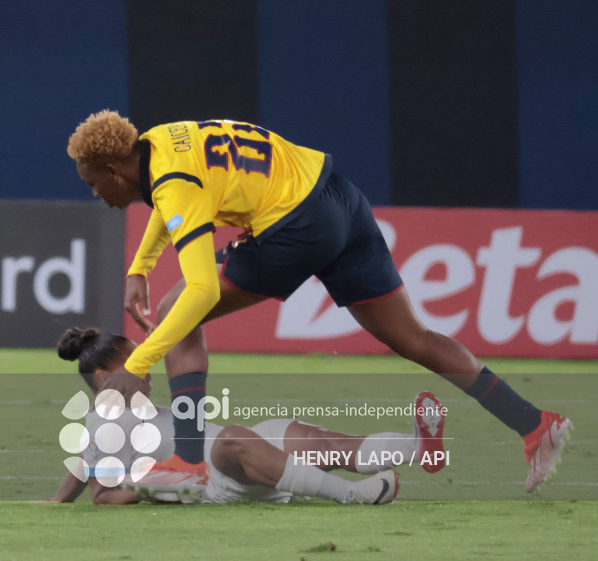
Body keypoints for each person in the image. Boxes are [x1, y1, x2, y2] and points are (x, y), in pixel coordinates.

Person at [66, 110, 572, 494]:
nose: (95, 194)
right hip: (339, 199)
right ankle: (533, 423)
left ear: (113, 170)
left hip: (297, 226)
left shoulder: (171, 184)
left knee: (182, 304)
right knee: (414, 338)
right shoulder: (157, 141)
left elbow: (198, 286)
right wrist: (140, 266)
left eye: (93, 184)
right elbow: (165, 196)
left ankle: (191, 462)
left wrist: (137, 362)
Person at [51, 327, 450, 505]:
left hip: (241, 455)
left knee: (303, 436)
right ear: (105, 378)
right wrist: (157, 489)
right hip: (218, 479)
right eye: (134, 362)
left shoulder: (123, 414)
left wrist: (56, 501)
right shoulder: (104, 423)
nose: (146, 367)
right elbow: (101, 493)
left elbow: (83, 466)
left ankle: (420, 448)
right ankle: (350, 495)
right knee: (234, 437)